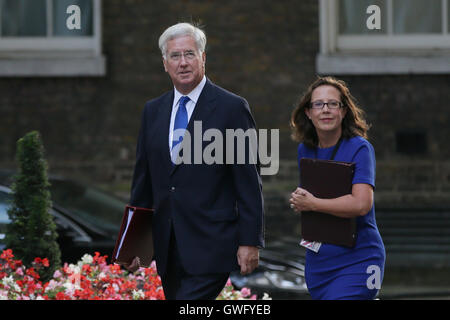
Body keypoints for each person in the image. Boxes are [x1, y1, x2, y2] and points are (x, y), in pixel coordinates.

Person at [127, 22, 264, 300]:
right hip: (167, 246)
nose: (183, 63)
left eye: (189, 54)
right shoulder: (153, 111)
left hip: (211, 244)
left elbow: (248, 181)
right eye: (175, 56)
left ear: (203, 58)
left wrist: (250, 241)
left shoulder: (232, 108)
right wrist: (134, 244)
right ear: (165, 64)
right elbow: (143, 181)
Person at [289, 76, 385, 300]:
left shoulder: (360, 148)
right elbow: (316, 197)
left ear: (343, 111)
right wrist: (300, 200)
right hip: (319, 263)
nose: (326, 110)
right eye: (318, 104)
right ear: (308, 112)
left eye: (333, 104)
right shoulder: (305, 150)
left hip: (359, 259)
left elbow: (361, 204)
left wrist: (312, 203)